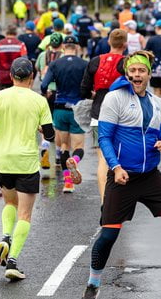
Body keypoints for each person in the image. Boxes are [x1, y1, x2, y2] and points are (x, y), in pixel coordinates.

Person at [81, 50, 161, 299]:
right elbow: (104, 138)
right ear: (127, 72)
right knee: (108, 235)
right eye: (132, 71)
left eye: (141, 71)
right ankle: (93, 283)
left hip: (150, 176)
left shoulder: (156, 102)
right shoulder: (114, 99)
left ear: (149, 74)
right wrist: (115, 167)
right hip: (122, 177)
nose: (136, 75)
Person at [0, 57, 54, 280]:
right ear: (32, 77)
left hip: (3, 160)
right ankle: (12, 261)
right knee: (25, 214)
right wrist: (40, 130)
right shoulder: (39, 101)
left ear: (10, 76)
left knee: (10, 202)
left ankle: (6, 237)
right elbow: (50, 135)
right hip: (26, 161)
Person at [80, 29, 127, 204]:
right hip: (122, 118)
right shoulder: (126, 63)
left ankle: (104, 202)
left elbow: (83, 90)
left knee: (102, 160)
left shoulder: (95, 61)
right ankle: (118, 202)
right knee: (120, 159)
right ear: (125, 44)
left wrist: (94, 94)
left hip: (98, 115)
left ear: (109, 42)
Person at [41, 36, 88, 193]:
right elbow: (89, 87)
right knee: (79, 146)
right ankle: (74, 160)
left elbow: (43, 84)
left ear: (63, 47)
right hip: (77, 109)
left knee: (63, 146)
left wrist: (46, 94)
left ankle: (68, 181)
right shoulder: (84, 64)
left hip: (60, 108)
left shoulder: (55, 64)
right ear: (76, 47)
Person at [36, 32, 64, 177]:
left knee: (45, 123)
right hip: (58, 93)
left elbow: (38, 70)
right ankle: (58, 155)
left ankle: (45, 149)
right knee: (57, 125)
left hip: (45, 91)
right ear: (61, 43)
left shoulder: (42, 55)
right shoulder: (63, 57)